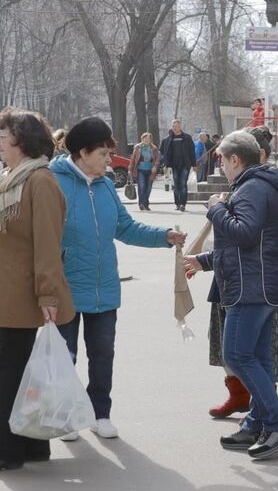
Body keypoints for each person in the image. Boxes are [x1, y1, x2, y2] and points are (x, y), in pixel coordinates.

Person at [52, 117, 187, 439]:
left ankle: (100, 414)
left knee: (102, 355)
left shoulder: (105, 186)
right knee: (64, 356)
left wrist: (164, 236)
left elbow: (125, 228)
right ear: (83, 152)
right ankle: (68, 415)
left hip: (103, 286)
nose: (109, 161)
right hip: (64, 286)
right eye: (103, 154)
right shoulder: (51, 182)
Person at [0, 109, 73, 472]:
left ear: (21, 140)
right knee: (23, 372)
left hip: (27, 297)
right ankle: (32, 447)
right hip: (12, 294)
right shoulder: (12, 177)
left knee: (12, 373)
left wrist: (48, 297)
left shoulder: (39, 181)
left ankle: (6, 451)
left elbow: (47, 245)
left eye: (2, 132)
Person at [192, 130, 278, 459]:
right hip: (258, 284)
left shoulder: (251, 187)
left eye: (222, 159)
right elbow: (243, 245)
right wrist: (203, 261)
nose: (220, 165)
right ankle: (256, 422)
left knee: (237, 355)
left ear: (235, 159)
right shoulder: (256, 185)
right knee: (259, 357)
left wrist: (215, 209)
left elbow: (245, 233)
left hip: (252, 289)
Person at [161, 120, 197, 212]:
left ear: (180, 127)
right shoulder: (168, 139)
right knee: (176, 185)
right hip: (174, 165)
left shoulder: (187, 138)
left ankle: (183, 204)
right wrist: (165, 164)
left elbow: (192, 151)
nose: (175, 128)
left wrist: (194, 164)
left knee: (183, 184)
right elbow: (164, 153)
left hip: (185, 164)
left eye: (176, 126)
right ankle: (177, 203)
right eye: (173, 126)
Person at [129, 131, 160, 212]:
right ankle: (142, 204)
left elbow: (157, 160)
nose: (146, 140)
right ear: (142, 139)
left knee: (148, 188)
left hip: (150, 171)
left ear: (150, 140)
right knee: (142, 187)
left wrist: (155, 167)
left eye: (148, 138)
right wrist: (130, 169)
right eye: (145, 138)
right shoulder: (138, 147)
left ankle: (146, 203)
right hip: (140, 170)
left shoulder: (154, 148)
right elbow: (133, 159)